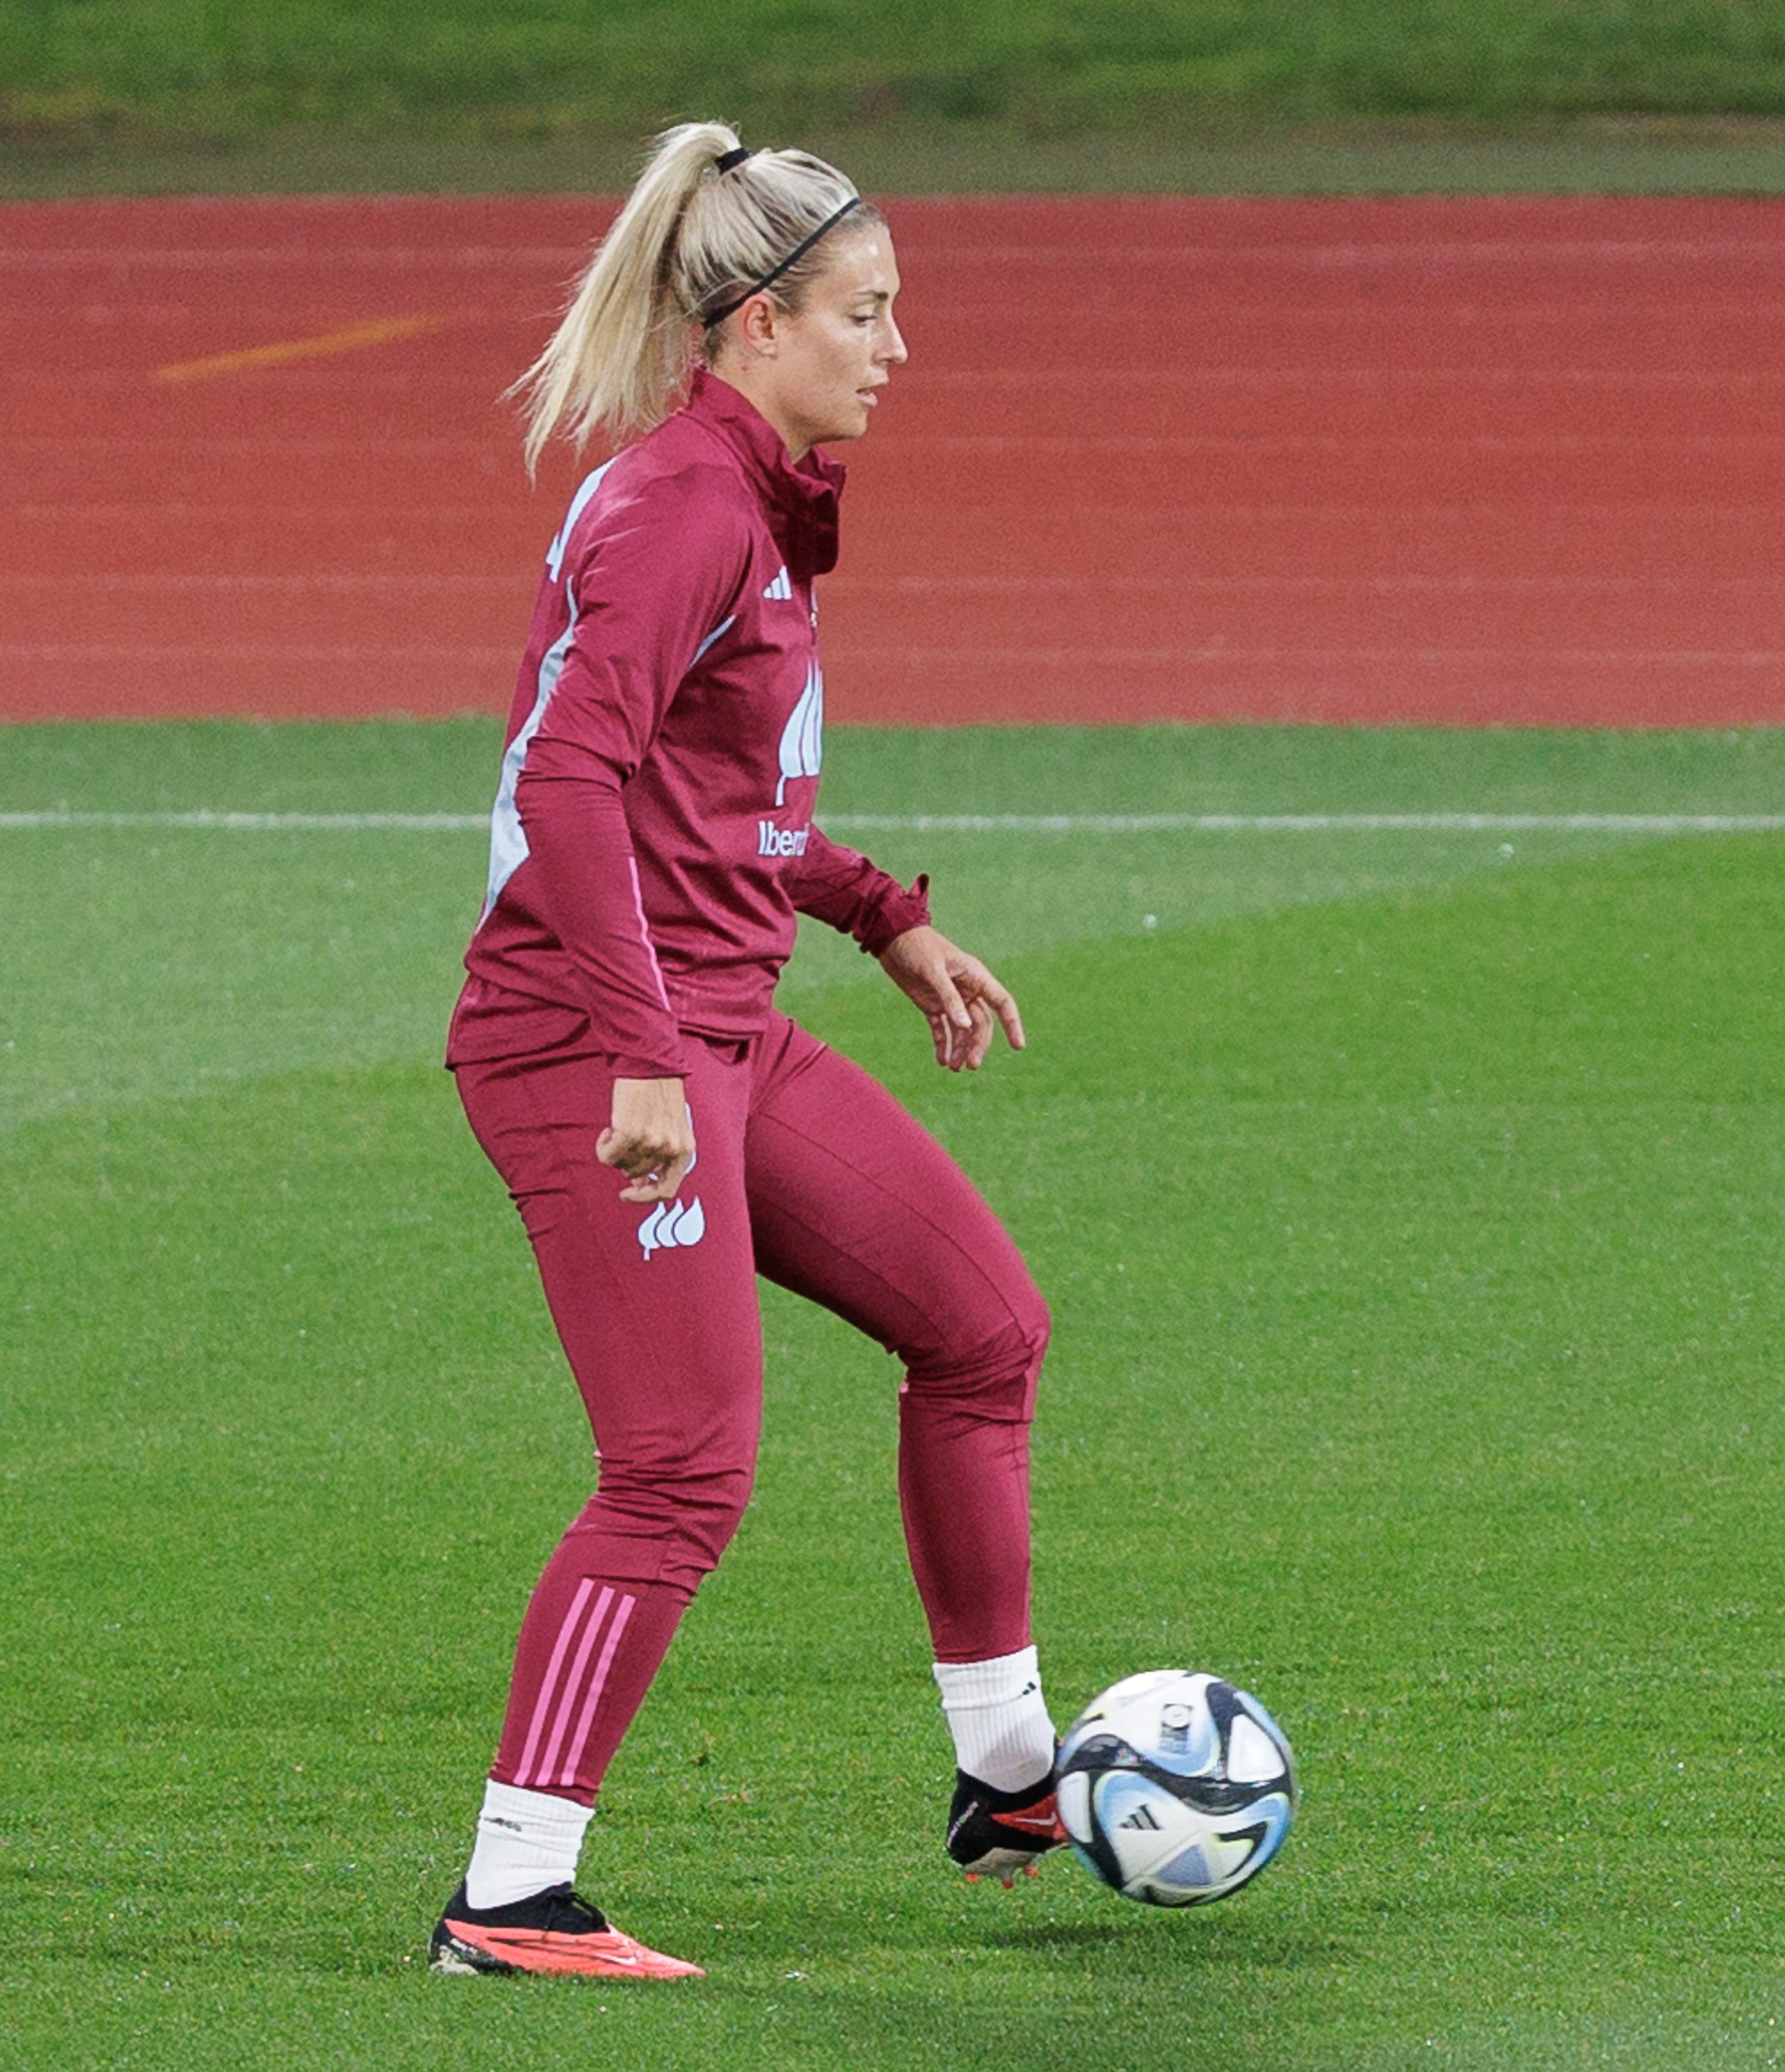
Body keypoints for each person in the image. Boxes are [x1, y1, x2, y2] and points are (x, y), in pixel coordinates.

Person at [428, 123, 1065, 1981]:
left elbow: (719, 811)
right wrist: (637, 1058)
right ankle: (513, 1894)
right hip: (589, 1043)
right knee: (679, 1472)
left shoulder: (751, 494)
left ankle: (1013, 1771)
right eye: (865, 315)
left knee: (984, 1330)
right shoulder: (681, 505)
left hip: (717, 1029)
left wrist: (883, 916)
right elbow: (566, 775)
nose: (894, 349)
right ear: (759, 319)